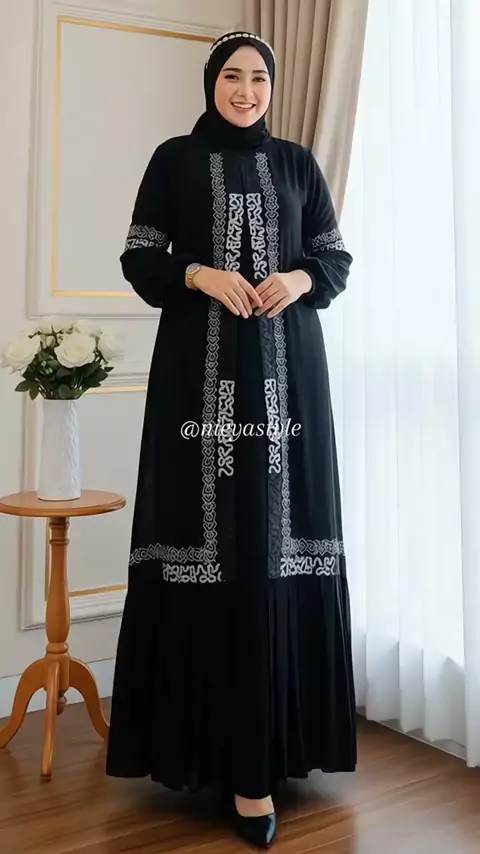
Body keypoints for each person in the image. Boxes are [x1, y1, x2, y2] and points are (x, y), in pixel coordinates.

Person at [106, 31, 356, 849]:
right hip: (198, 382)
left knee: (273, 547)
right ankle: (214, 757)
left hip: (289, 383)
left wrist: (299, 276)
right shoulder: (174, 159)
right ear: (211, 81)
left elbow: (335, 255)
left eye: (259, 79)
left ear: (271, 88)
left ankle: (267, 763)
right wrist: (198, 273)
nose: (246, 90)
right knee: (214, 549)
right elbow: (140, 255)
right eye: (233, 76)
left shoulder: (298, 164)